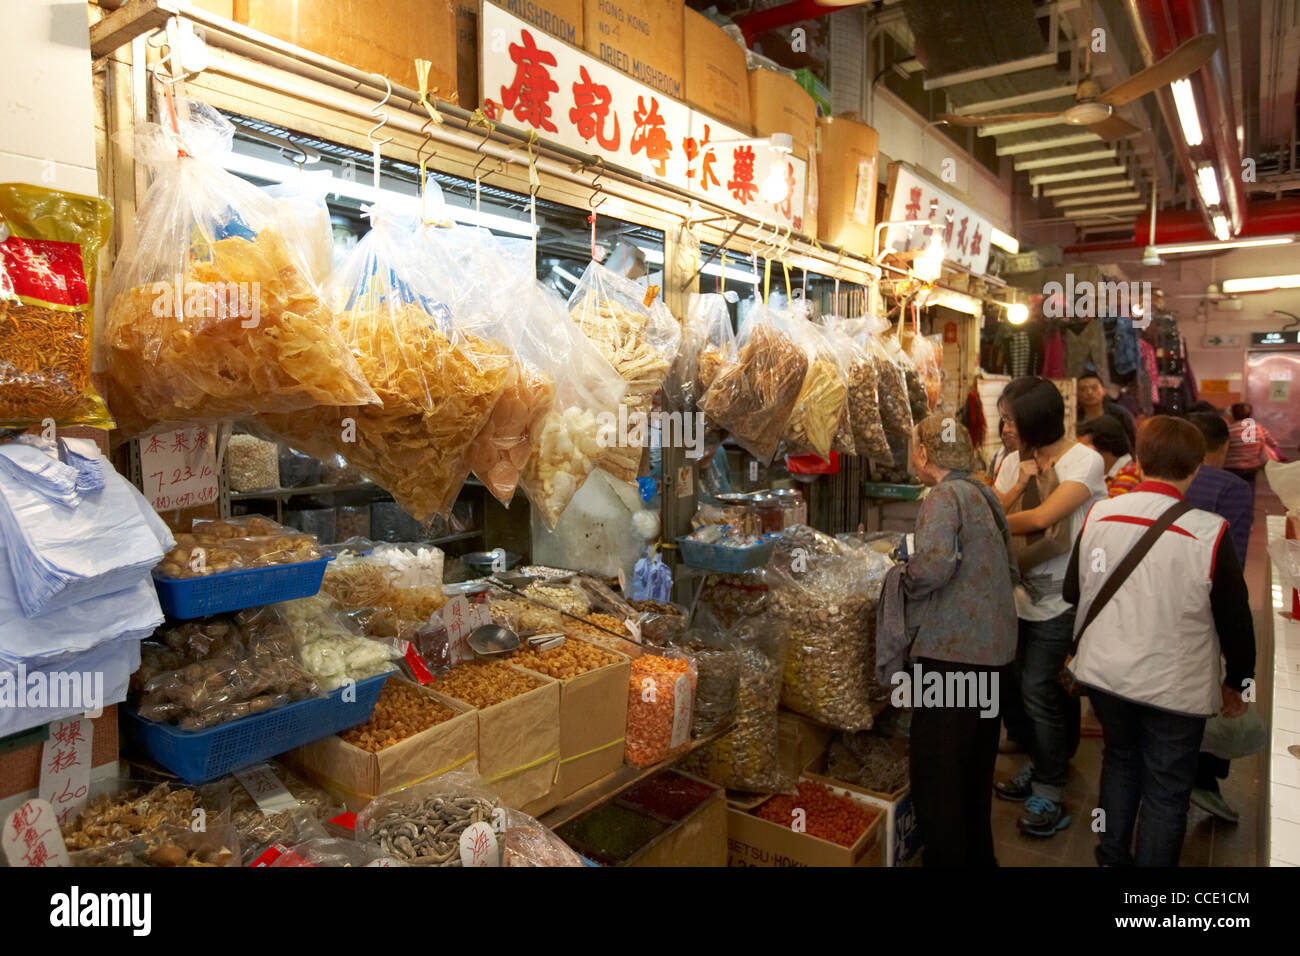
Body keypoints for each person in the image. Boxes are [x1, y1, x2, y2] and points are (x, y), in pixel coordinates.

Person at [1064, 416, 1255, 866]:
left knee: (1120, 763)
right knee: (1167, 789)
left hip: (1107, 675)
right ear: (1195, 468)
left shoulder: (1100, 513)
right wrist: (1239, 681)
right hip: (1174, 688)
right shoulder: (1209, 532)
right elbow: (1235, 619)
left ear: (1142, 459)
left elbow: (1072, 591)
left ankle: (1110, 855)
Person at [993, 378, 1108, 838]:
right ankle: (1043, 761)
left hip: (1062, 599)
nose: (1004, 426)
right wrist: (1011, 490)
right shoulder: (1011, 462)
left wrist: (995, 514)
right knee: (1023, 686)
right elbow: (999, 503)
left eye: (1010, 419)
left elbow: (1043, 518)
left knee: (1041, 689)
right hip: (1016, 595)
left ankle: (1050, 786)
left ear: (1034, 420)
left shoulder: (1085, 460)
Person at [902, 415, 1019, 866]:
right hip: (992, 657)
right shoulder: (983, 493)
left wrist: (900, 575)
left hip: (952, 659)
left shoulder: (944, 495)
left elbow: (930, 569)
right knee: (973, 774)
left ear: (925, 454)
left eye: (914, 446)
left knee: (939, 778)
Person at [1184, 410, 1255, 823]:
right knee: (1205, 701)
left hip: (1151, 615)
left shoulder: (1148, 488)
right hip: (1204, 615)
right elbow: (1235, 565)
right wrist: (1241, 672)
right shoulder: (1231, 488)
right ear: (1223, 447)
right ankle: (1203, 782)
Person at [1225, 402, 1282, 498]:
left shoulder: (1229, 430)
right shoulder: (1258, 428)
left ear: (1233, 414)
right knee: (1249, 492)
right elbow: (1273, 443)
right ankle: (1248, 510)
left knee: (1233, 494)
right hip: (1252, 467)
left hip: (1233, 467)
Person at [1078, 415, 1142, 496]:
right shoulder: (1106, 475)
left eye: (1085, 451)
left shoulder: (1130, 472)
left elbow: (1109, 507)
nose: (1080, 456)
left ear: (1105, 448)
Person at [1077, 371, 1137, 451]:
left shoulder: (1120, 414)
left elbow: (1132, 441)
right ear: (1077, 395)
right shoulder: (1074, 418)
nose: (1089, 392)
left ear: (1104, 391)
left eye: (1094, 388)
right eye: (1083, 389)